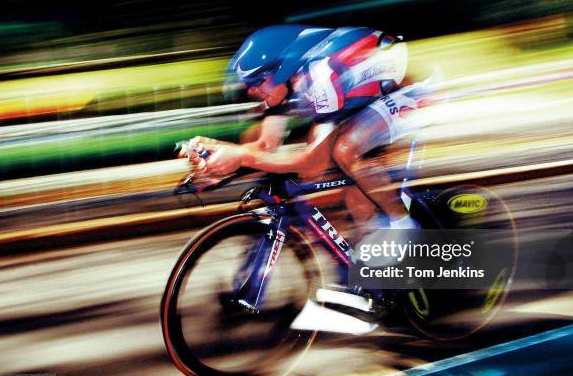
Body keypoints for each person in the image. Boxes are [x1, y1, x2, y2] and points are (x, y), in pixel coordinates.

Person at [182, 24, 433, 233]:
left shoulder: (320, 74)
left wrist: (241, 156)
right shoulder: (282, 87)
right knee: (359, 207)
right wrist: (219, 155)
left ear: (281, 70)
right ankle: (389, 283)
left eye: (256, 82)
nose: (251, 91)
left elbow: (313, 164)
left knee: (345, 149)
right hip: (362, 101)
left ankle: (407, 228)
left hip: (411, 92)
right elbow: (265, 146)